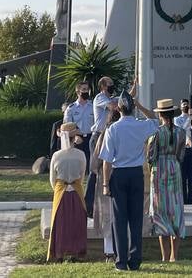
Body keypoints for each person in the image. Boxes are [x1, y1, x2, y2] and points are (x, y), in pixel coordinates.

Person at [99, 88, 159, 272]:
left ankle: (121, 260)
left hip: (119, 174)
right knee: (135, 218)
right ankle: (135, 260)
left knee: (119, 219)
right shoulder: (141, 125)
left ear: (118, 108)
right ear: (133, 108)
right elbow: (155, 120)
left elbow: (107, 162)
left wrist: (105, 184)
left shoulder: (113, 129)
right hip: (136, 174)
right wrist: (139, 104)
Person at [149, 98, 186, 262]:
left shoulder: (156, 132)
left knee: (161, 211)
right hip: (174, 168)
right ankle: (174, 256)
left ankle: (164, 257)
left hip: (159, 170)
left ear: (161, 115)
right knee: (176, 210)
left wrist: (153, 170)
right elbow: (181, 155)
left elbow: (151, 156)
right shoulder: (181, 132)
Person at [47, 121, 88, 262]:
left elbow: (52, 179)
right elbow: (82, 175)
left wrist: (60, 187)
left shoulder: (56, 156)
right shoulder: (81, 155)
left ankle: (59, 253)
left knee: (60, 223)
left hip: (60, 191)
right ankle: (76, 252)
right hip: (77, 190)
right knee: (77, 221)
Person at [90, 107, 120, 262]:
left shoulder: (105, 133)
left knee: (107, 214)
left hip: (105, 176)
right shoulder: (124, 132)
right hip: (123, 173)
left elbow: (95, 161)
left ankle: (109, 251)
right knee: (120, 213)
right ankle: (121, 249)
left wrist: (99, 173)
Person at [86, 76, 117, 218]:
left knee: (108, 170)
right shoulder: (100, 98)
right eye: (110, 84)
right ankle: (88, 206)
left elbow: (127, 99)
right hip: (98, 137)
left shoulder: (111, 98)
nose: (112, 85)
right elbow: (113, 106)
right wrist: (123, 101)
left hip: (108, 137)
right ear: (103, 86)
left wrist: (134, 87)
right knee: (94, 171)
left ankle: (102, 205)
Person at [174, 98, 192, 205]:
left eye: (187, 104)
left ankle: (191, 200)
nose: (185, 105)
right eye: (183, 104)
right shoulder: (177, 119)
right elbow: (181, 130)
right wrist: (188, 119)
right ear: (180, 106)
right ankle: (183, 200)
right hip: (182, 150)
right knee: (182, 178)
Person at [65, 81, 93, 172]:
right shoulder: (71, 108)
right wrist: (75, 136)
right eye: (84, 89)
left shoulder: (93, 106)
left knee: (90, 166)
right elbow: (67, 126)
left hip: (90, 138)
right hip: (77, 139)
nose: (86, 92)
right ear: (78, 92)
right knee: (78, 168)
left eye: (87, 89)